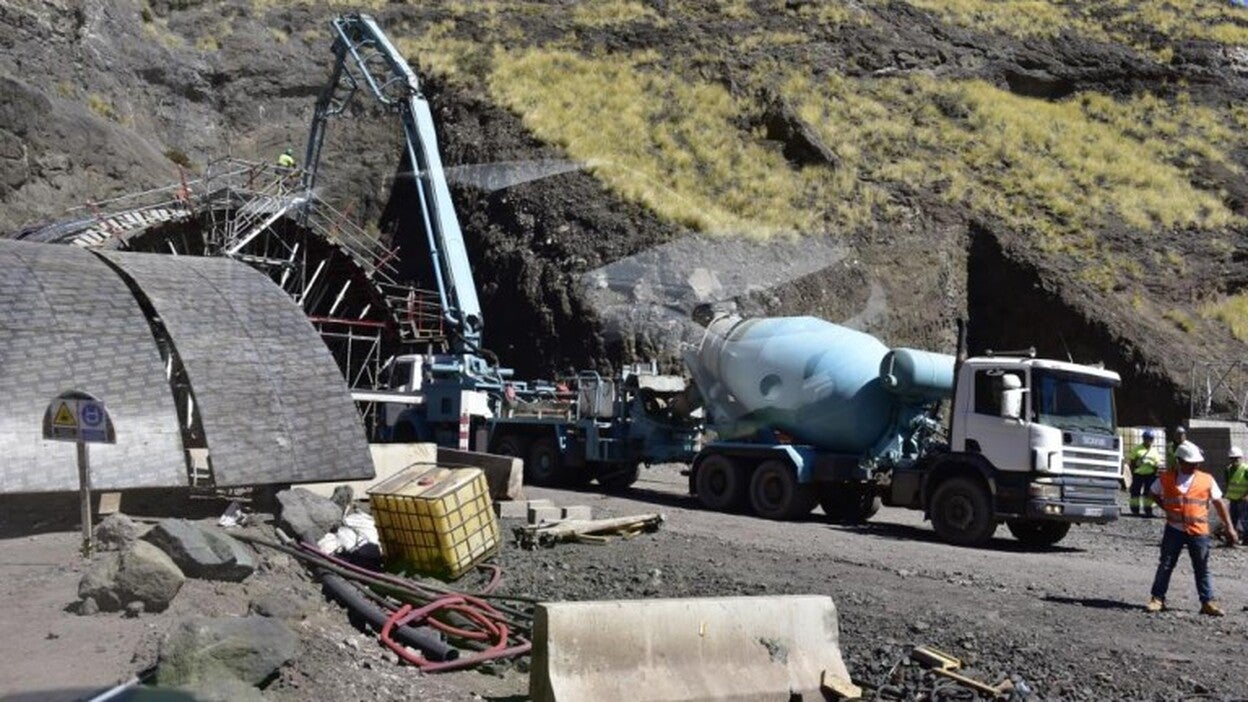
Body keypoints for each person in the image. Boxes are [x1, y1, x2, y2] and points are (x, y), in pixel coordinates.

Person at [1146, 441, 1238, 616]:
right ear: (1180, 461)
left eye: (1196, 463)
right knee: (1166, 565)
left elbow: (1219, 504)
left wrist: (1229, 528)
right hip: (1174, 529)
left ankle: (1207, 602)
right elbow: (1153, 493)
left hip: (1199, 531)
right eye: (1190, 463)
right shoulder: (1165, 478)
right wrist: (1166, 508)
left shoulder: (1206, 479)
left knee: (1202, 567)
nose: (1194, 465)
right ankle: (1157, 599)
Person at [1126, 430, 1163, 516]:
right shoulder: (1137, 449)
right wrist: (1132, 473)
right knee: (1135, 492)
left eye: (1150, 439)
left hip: (1150, 475)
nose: (1149, 440)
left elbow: (1157, 464)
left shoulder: (1154, 451)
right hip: (1138, 474)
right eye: (1147, 438)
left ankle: (1148, 510)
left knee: (1148, 493)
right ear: (1143, 439)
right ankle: (1135, 510)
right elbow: (1132, 462)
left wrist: (1151, 464)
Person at [1226, 446, 1247, 538]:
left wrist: (1246, 496)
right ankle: (1232, 538)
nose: (1234, 460)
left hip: (1244, 499)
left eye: (1236, 458)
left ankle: (1246, 539)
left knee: (1245, 520)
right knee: (1232, 519)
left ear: (1241, 457)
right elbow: (1228, 484)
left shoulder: (1246, 469)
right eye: (1232, 458)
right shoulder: (1228, 469)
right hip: (1233, 499)